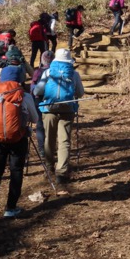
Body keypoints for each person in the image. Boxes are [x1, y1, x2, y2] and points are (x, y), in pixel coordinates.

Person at [0, 81, 39, 220]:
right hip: (18, 139)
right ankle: (11, 208)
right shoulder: (24, 96)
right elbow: (35, 118)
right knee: (16, 171)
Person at [34, 48, 85, 185]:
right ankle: (61, 173)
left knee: (49, 139)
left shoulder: (48, 72)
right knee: (64, 141)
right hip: (67, 110)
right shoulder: (74, 74)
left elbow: (37, 90)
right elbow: (80, 93)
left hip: (49, 109)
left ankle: (49, 167)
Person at [31, 50, 54, 155]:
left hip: (39, 100)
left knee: (40, 125)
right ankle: (51, 147)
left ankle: (41, 149)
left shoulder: (38, 72)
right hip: (53, 100)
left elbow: (33, 86)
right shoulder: (56, 71)